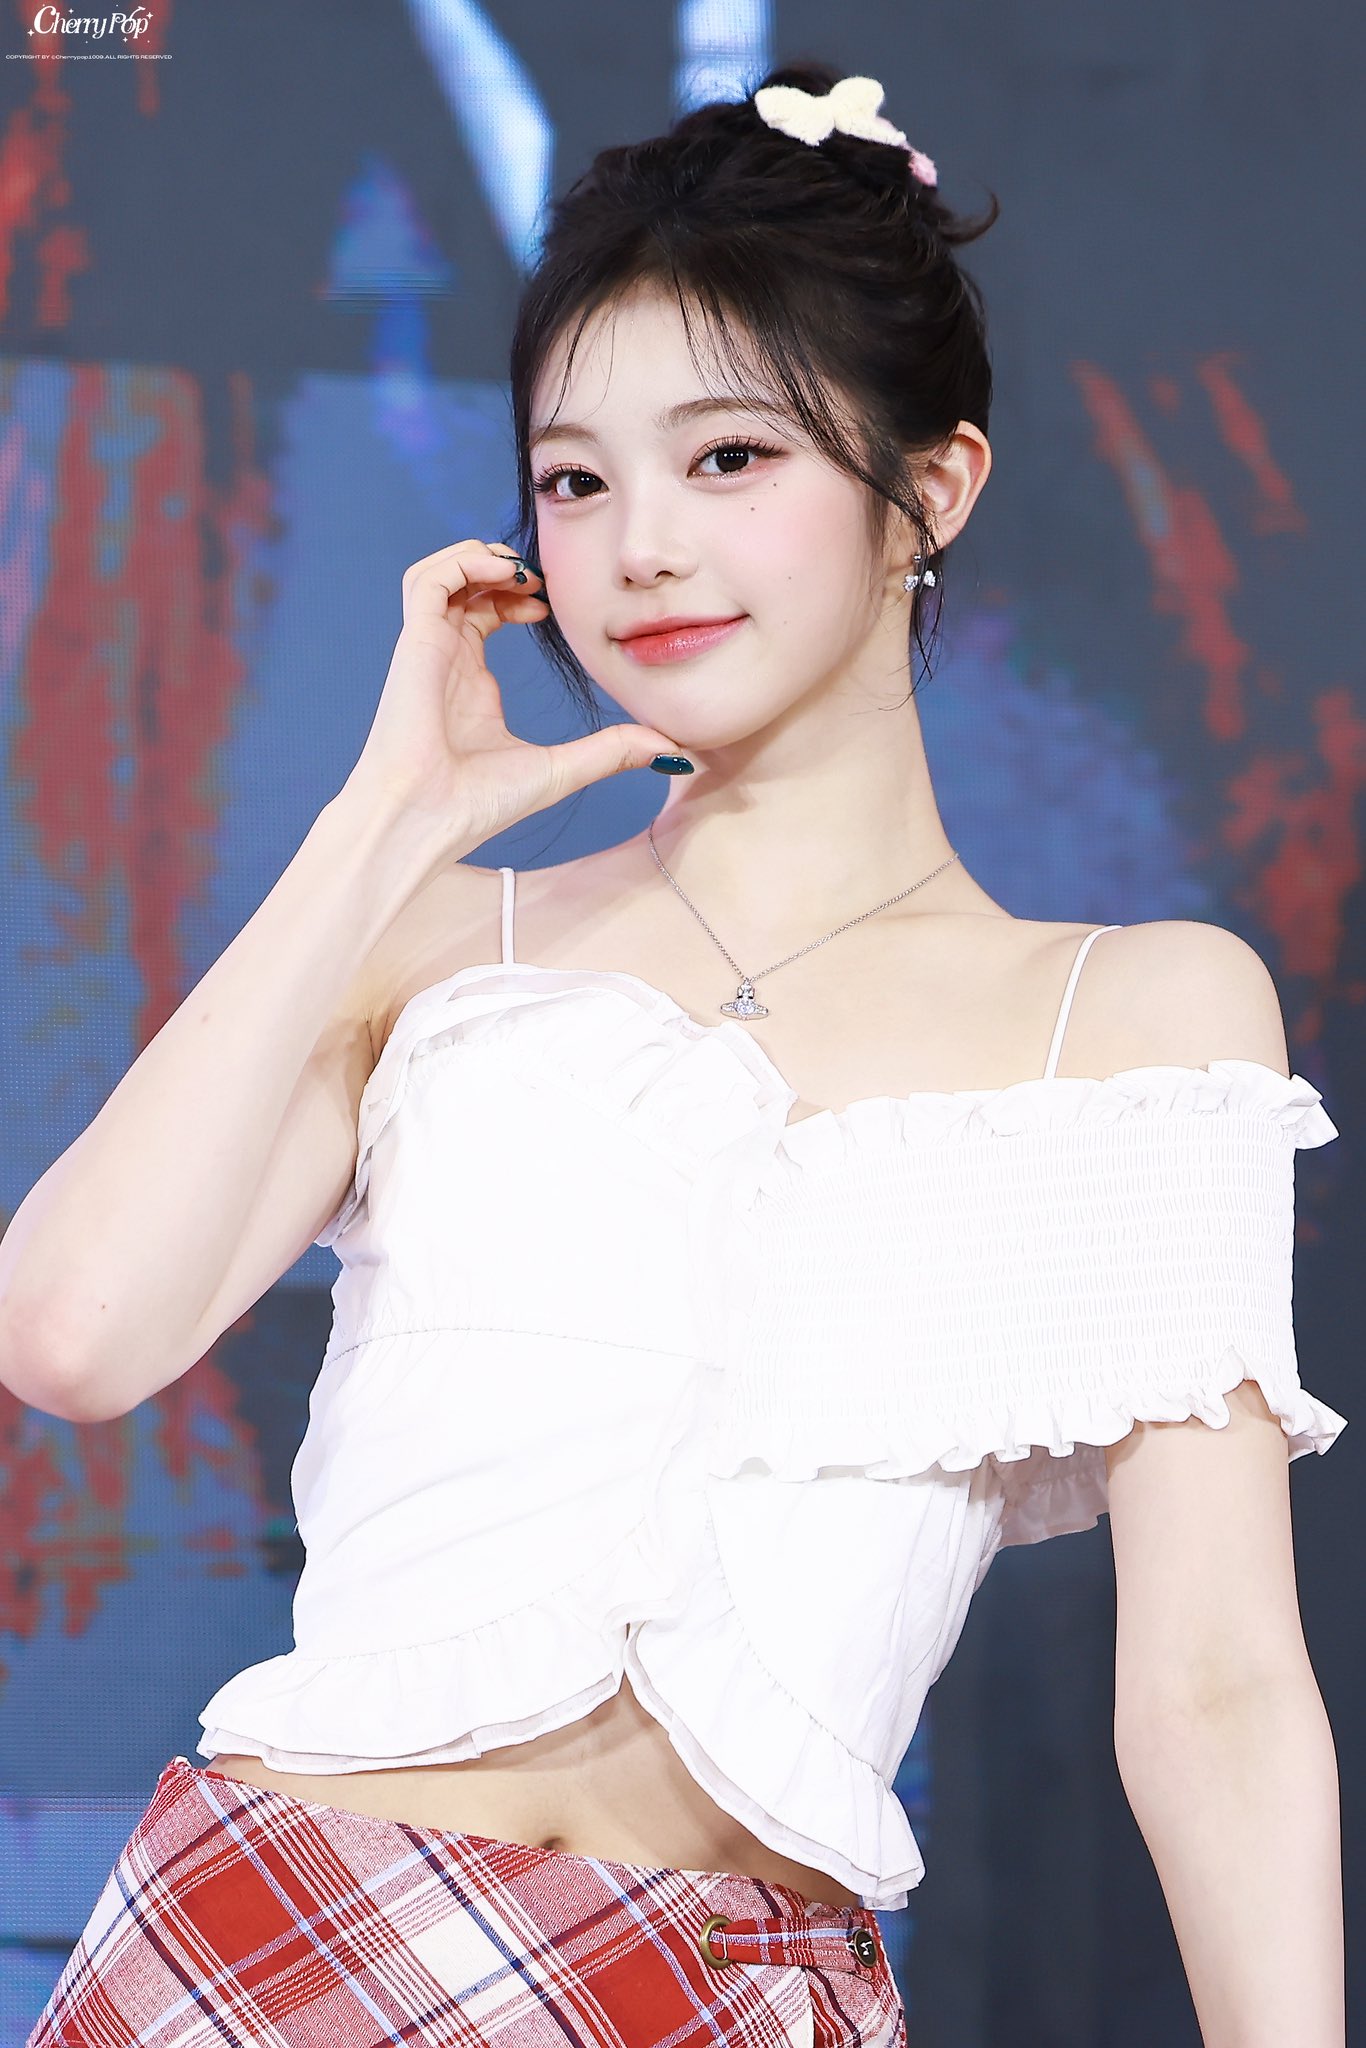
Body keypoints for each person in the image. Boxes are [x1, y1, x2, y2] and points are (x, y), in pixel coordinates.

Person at [9, 58, 1346, 2048]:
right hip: (277, 1949)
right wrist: (377, 828)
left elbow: (1215, 1688)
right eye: (573, 480)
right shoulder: (443, 945)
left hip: (734, 1993)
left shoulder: (1136, 1016)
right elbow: (68, 1336)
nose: (637, 546)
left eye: (727, 457)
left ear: (930, 489)